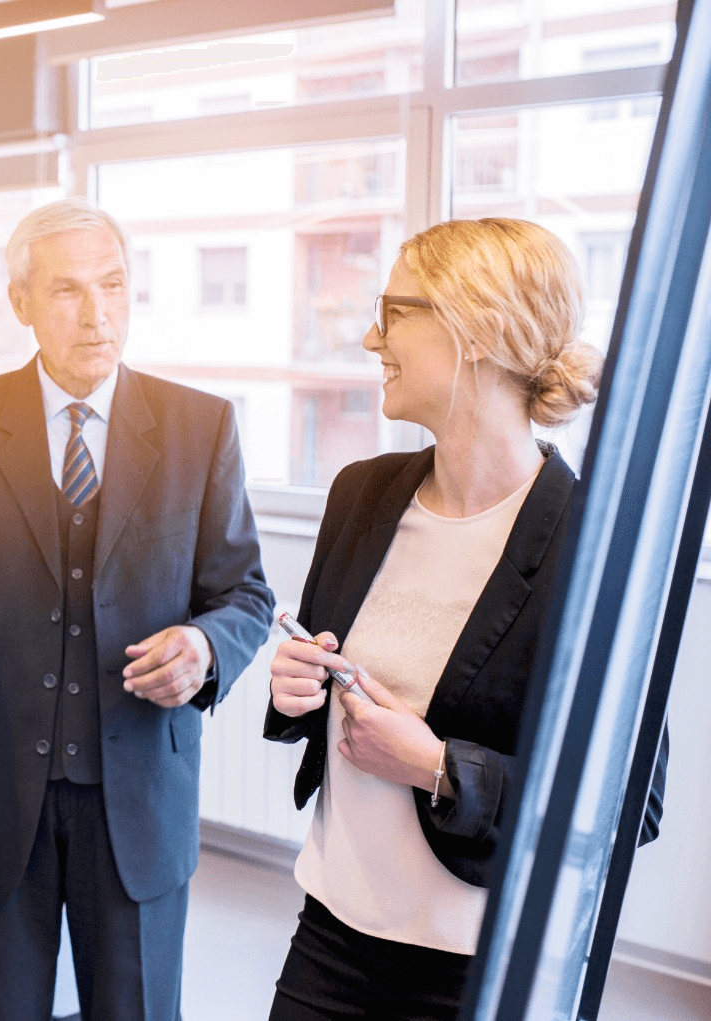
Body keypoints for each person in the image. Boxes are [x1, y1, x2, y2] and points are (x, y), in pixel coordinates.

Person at [263, 217, 668, 1020]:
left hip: (480, 966)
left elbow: (631, 804)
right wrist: (295, 689)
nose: (372, 335)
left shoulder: (595, 544)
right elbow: (322, 686)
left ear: (475, 330)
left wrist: (441, 766)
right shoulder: (360, 494)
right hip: (330, 933)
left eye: (393, 311)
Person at [0, 197, 275, 1021]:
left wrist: (205, 645)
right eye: (69, 291)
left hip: (139, 796)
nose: (97, 312)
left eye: (112, 285)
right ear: (21, 304)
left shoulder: (200, 426)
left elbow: (246, 592)